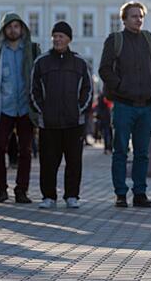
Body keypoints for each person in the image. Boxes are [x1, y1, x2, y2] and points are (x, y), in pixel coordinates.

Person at [99, 1, 151, 208]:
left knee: (142, 152)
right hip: (123, 105)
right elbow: (104, 69)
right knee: (121, 151)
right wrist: (121, 87)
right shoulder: (115, 40)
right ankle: (120, 193)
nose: (138, 19)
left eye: (141, 16)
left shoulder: (148, 39)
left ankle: (140, 193)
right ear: (124, 19)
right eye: (134, 16)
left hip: (145, 105)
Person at [31, 21, 93, 209]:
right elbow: (33, 90)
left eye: (61, 36)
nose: (57, 39)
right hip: (48, 123)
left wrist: (79, 109)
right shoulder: (41, 62)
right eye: (55, 36)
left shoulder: (80, 62)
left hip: (74, 122)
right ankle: (48, 197)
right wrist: (42, 111)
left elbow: (88, 90)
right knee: (48, 162)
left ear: (69, 39)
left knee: (74, 162)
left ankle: (72, 196)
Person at [0, 13, 40, 203]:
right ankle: (1, 188)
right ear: (4, 29)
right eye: (9, 26)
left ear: (22, 28)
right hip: (3, 107)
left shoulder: (32, 50)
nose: (13, 30)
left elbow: (38, 77)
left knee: (26, 150)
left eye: (16, 26)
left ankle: (21, 190)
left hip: (25, 107)